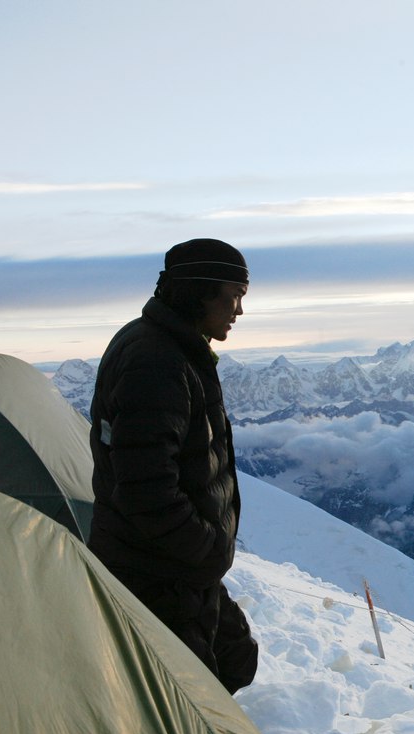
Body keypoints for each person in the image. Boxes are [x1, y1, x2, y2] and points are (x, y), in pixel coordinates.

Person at [88, 238, 257, 694]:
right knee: (193, 696)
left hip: (174, 566)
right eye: (234, 295)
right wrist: (204, 549)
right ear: (201, 291)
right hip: (159, 572)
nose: (239, 310)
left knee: (236, 659)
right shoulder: (156, 362)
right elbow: (145, 487)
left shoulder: (171, 347)